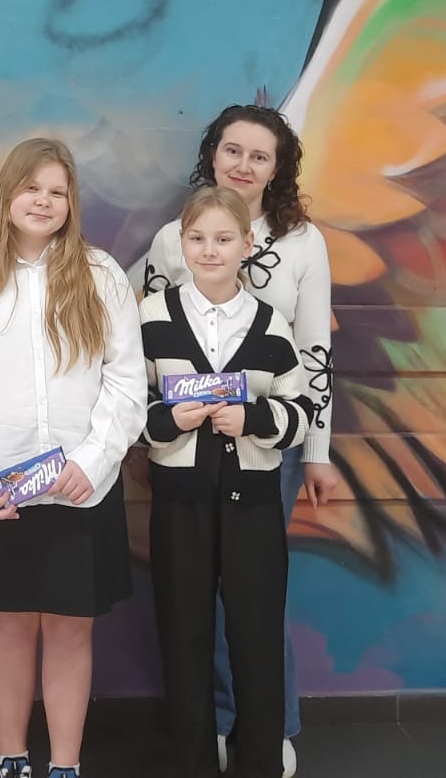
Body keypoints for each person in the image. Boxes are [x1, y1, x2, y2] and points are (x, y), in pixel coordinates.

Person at [0, 138, 147, 778]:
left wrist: (94, 461)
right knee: (11, 625)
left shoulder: (102, 276)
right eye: (31, 188)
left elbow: (126, 382)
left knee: (72, 629)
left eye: (57, 191)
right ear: (6, 194)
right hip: (0, 493)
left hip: (81, 488)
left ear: (71, 202)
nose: (43, 201)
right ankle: (13, 757)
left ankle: (66, 765)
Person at [143, 105, 338, 776]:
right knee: (192, 598)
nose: (244, 165)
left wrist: (316, 450)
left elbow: (312, 355)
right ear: (213, 154)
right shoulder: (169, 239)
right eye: (233, 150)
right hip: (184, 456)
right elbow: (148, 353)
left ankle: (268, 729)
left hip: (265, 449)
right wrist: (160, 429)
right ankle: (215, 727)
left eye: (260, 156)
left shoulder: (302, 241)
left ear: (278, 169)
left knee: (255, 598)